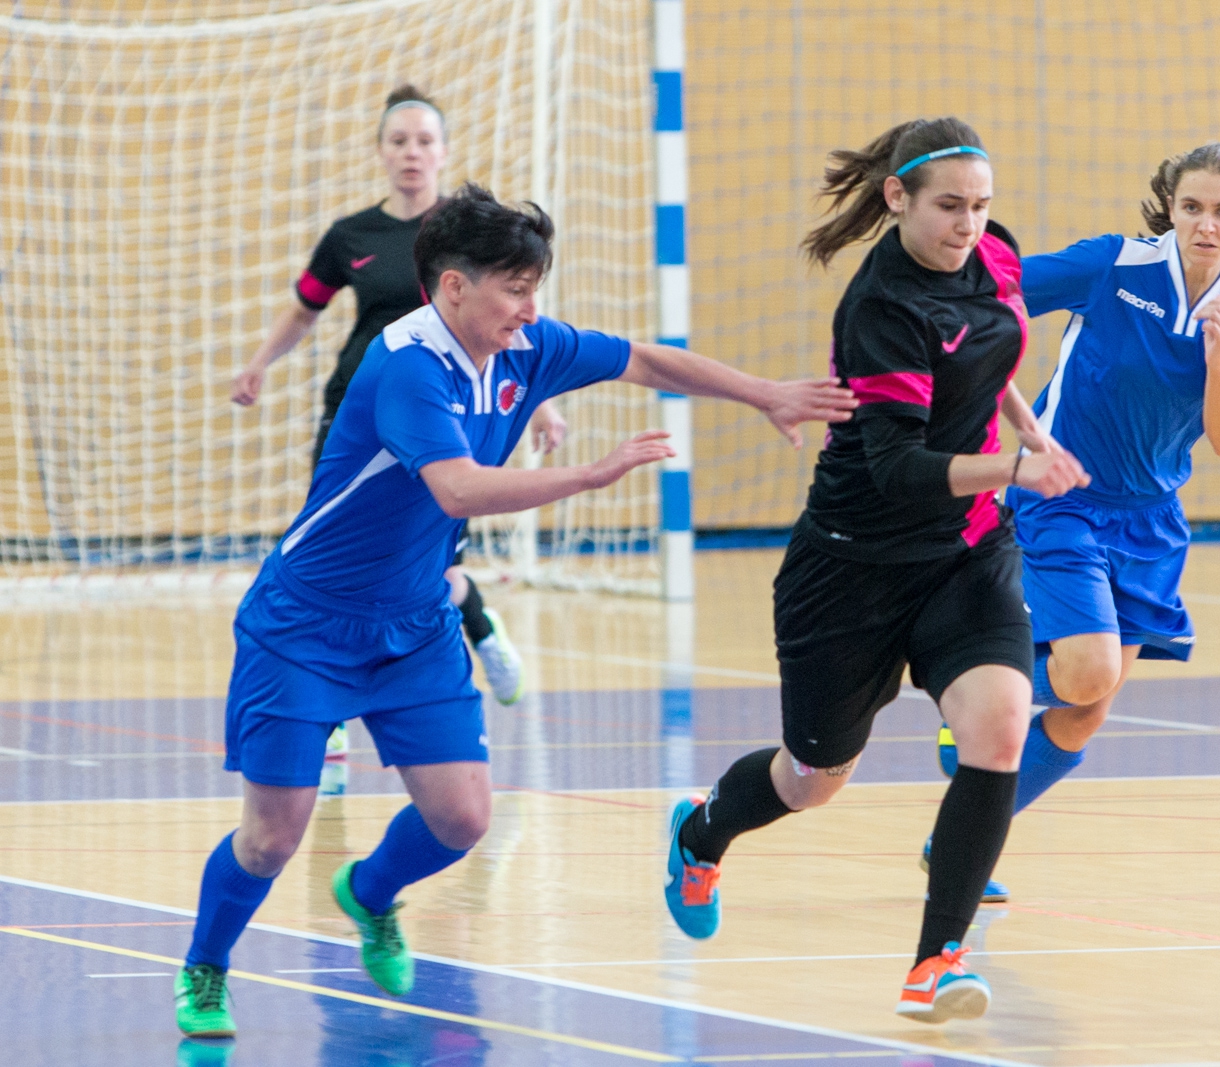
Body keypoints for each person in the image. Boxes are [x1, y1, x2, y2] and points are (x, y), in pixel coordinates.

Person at [173, 184, 858, 1039]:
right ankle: (205, 965)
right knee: (273, 836)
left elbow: (644, 359)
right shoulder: (407, 365)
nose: (531, 309)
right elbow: (458, 486)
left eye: (536, 288)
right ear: (453, 287)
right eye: (516, 289)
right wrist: (590, 475)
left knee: (462, 818)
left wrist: (762, 392)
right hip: (306, 623)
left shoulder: (524, 346)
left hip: (416, 621)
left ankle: (370, 892)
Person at [659, 117, 1089, 1025]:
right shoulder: (881, 309)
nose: (969, 224)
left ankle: (936, 960)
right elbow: (897, 469)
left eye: (981, 206)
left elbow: (994, 347)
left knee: (1003, 721)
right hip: (851, 567)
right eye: (948, 207)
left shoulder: (994, 255)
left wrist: (1029, 430)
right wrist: (1019, 469)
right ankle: (702, 831)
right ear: (897, 198)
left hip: (965, 551)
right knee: (812, 778)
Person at [934, 143, 1220, 876]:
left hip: (1150, 518)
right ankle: (981, 687)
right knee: (1089, 671)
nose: (1206, 225)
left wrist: (1218, 359)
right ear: (1172, 208)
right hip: (1062, 494)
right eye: (1192, 207)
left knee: (1089, 704)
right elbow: (998, 296)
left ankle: (960, 837)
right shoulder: (1114, 265)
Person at [230, 84, 546, 713]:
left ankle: (480, 631)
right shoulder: (351, 235)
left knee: (432, 566)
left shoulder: (470, 238)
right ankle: (325, 704)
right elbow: (303, 312)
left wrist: (542, 401)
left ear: (444, 153)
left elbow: (514, 321)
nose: (412, 153)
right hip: (358, 413)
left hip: (443, 417)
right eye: (398, 141)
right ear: (380, 152)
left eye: (425, 141)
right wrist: (259, 363)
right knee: (340, 555)